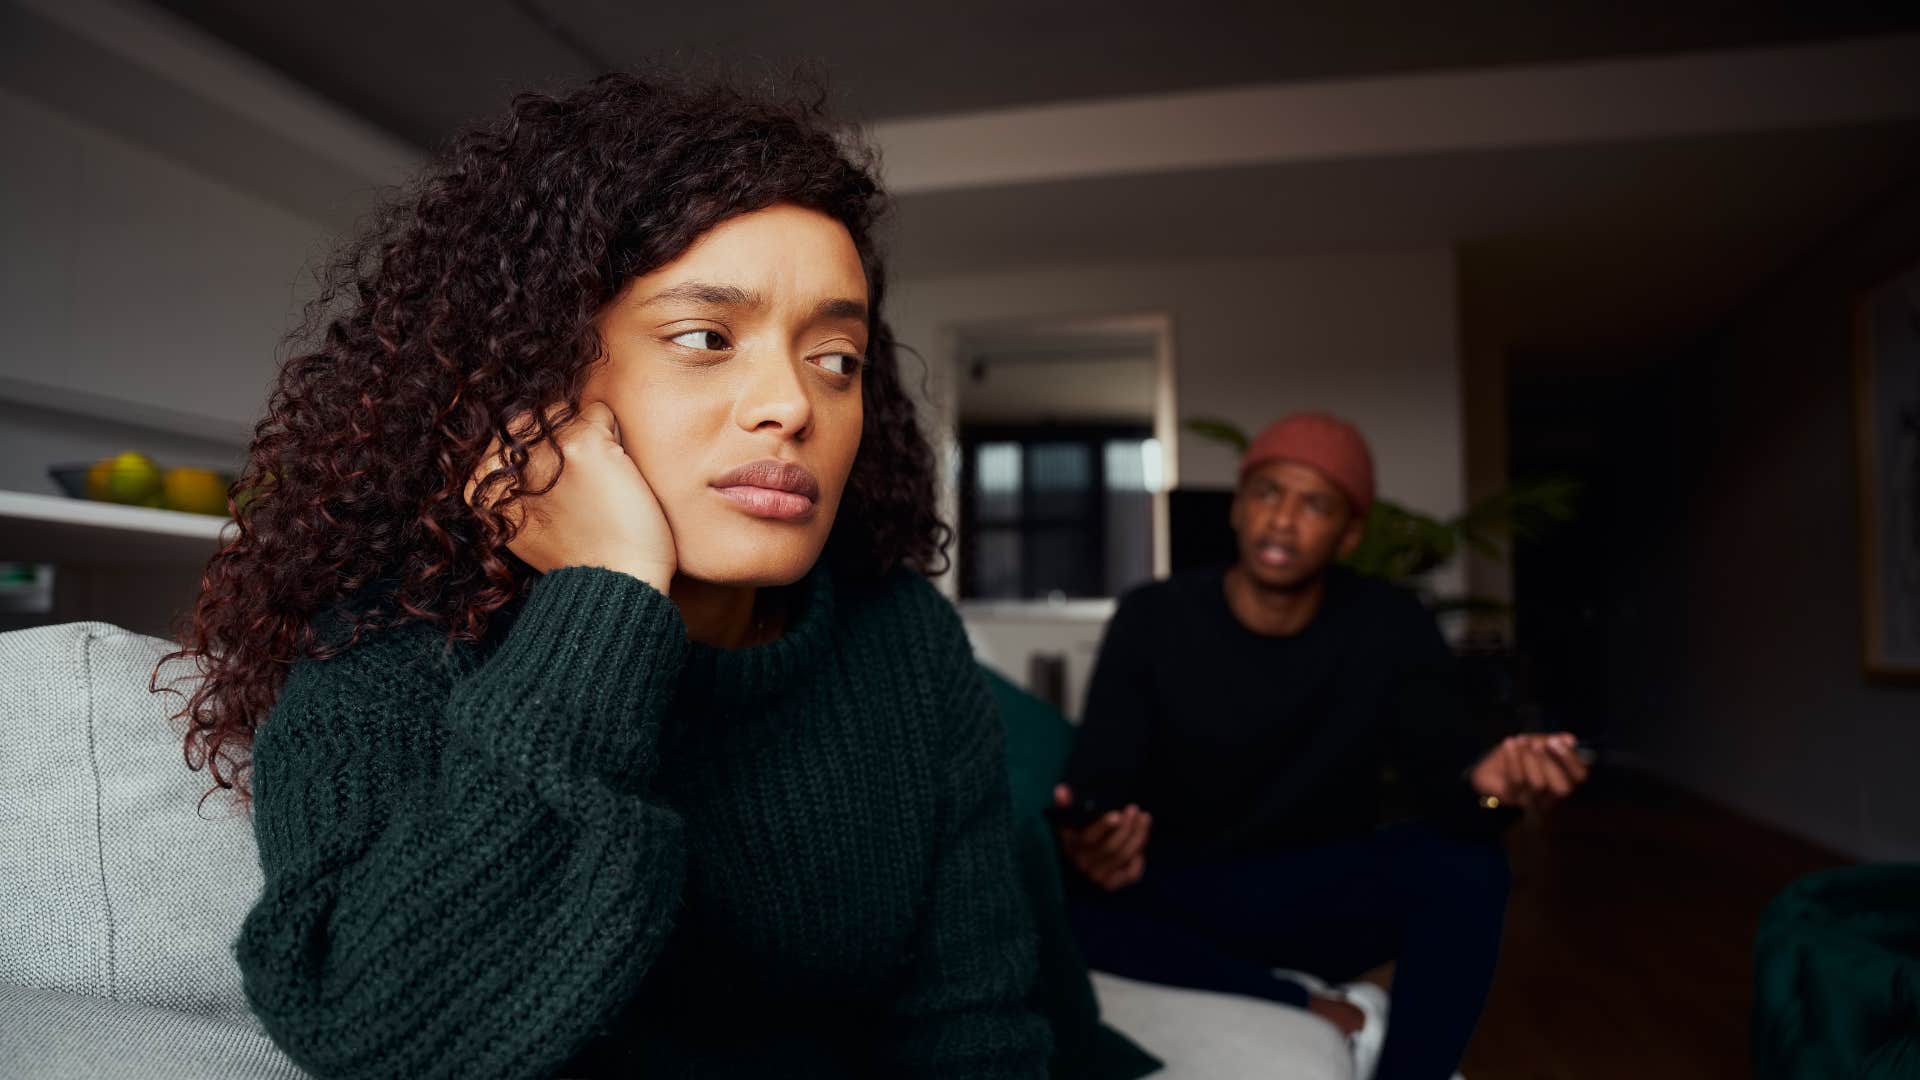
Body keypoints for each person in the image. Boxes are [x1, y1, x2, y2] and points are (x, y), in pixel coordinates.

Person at [165, 74, 1051, 1079]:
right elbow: (388, 1041)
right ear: (540, 375)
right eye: (707, 338)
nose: (791, 405)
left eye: (835, 358)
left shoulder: (902, 638)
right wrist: (609, 602)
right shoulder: (389, 638)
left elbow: (976, 1024)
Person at [1053, 412, 1588, 1080]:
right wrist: (1094, 840)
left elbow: (1454, 798)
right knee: (1052, 896)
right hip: (1186, 891)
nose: (1283, 520)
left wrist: (1493, 791)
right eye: (1268, 493)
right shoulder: (1153, 616)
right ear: (1238, 508)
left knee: (1471, 864)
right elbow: (1099, 781)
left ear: (1349, 533)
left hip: (1317, 891)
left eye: (1316, 504)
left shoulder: (1389, 624)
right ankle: (1320, 1008)